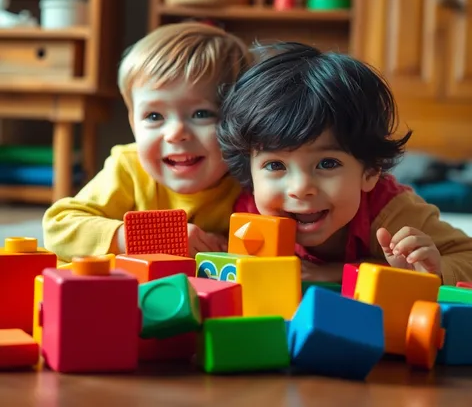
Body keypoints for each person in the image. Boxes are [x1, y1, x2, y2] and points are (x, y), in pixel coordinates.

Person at [216, 41, 472, 284]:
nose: (301, 187)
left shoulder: (392, 213)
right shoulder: (242, 210)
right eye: (275, 165)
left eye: (327, 163)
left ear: (370, 171)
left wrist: (434, 270)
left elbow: (466, 256)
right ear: (249, 171)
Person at [43, 22, 252, 263]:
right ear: (133, 123)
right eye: (154, 116)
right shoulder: (130, 168)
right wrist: (155, 238)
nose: (175, 133)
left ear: (239, 121)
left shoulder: (249, 175)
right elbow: (58, 228)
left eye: (201, 113)